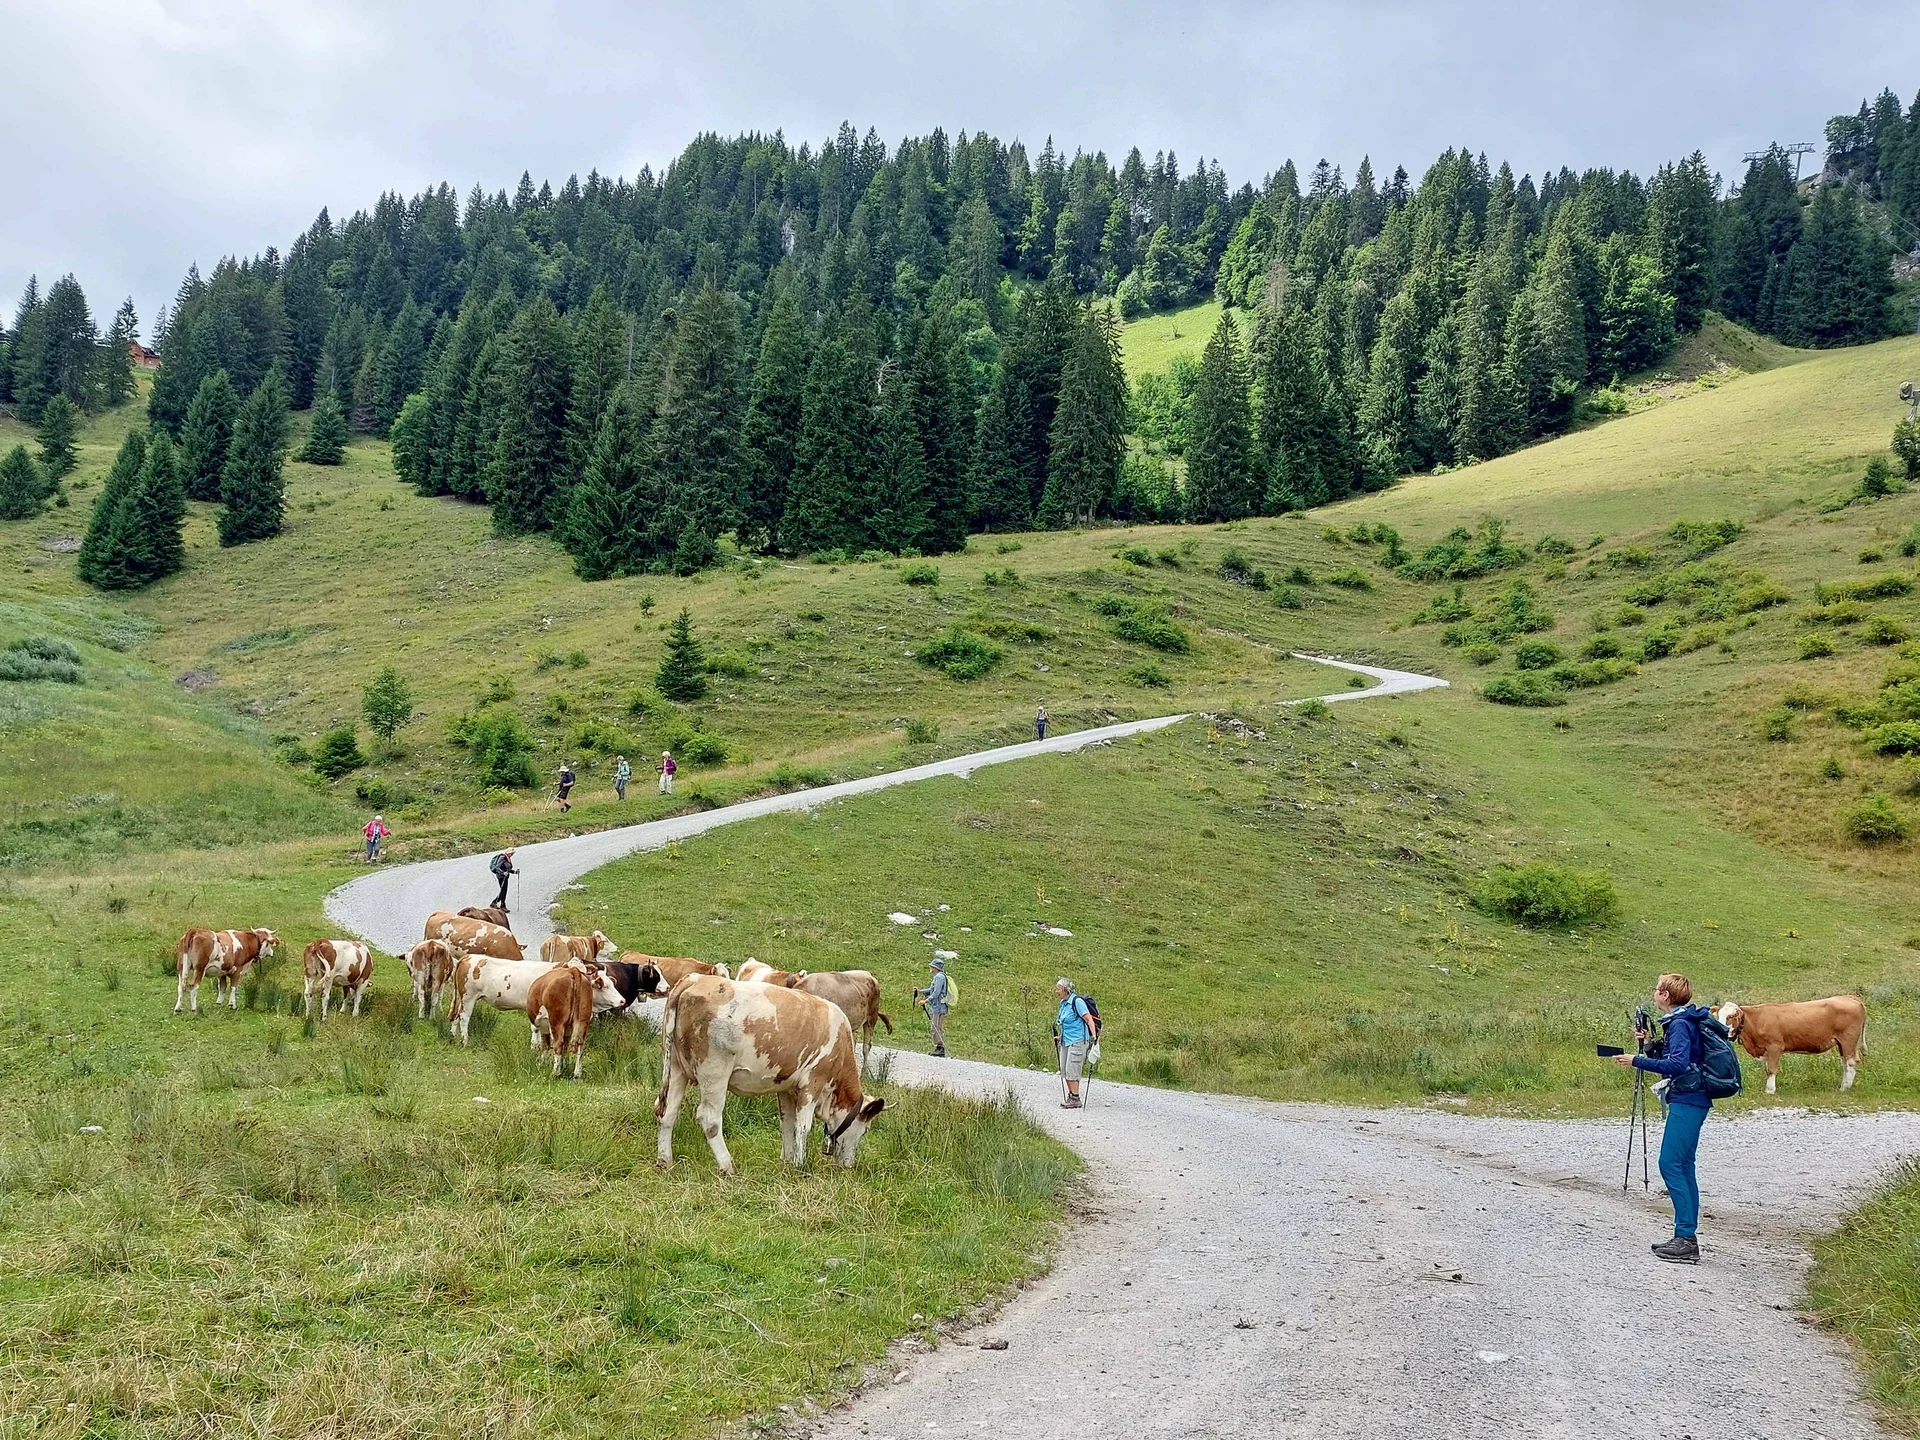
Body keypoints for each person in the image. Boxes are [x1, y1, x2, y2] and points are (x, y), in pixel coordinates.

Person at [1612, 971, 1712, 1263]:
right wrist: (1651, 1043)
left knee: (1669, 1163)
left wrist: (1637, 1060)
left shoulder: (1680, 1024)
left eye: (1657, 989)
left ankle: (1685, 1238)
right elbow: (1682, 1055)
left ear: (1666, 996)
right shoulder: (1681, 1021)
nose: (1654, 993)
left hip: (1687, 1099)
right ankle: (1686, 1235)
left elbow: (1678, 1064)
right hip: (1694, 1099)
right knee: (1684, 1165)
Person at [1053, 977, 1098, 1109]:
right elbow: (1067, 1023)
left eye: (1058, 989)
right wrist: (1060, 1036)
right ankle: (1071, 1095)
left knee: (1072, 1069)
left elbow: (1088, 1019)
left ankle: (1076, 1098)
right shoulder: (1063, 1003)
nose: (1057, 991)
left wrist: (1094, 1037)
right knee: (1064, 1069)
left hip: (1078, 1041)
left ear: (1066, 990)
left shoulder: (1077, 1002)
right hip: (1066, 1040)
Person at [915, 957, 951, 1057]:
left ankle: (940, 1048)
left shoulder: (939, 977)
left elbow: (936, 992)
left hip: (938, 1007)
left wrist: (925, 1001)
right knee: (937, 1026)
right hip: (939, 1006)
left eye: (932, 966)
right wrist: (921, 991)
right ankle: (939, 1048)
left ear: (936, 967)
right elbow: (932, 989)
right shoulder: (939, 976)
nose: (930, 967)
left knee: (935, 1027)